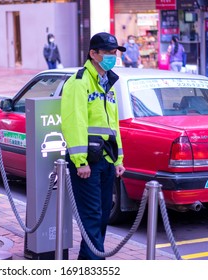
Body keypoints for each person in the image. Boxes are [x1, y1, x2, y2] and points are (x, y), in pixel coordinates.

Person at [61, 32, 126, 260]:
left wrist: (118, 160)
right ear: (93, 54)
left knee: (100, 217)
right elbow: (74, 122)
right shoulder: (79, 82)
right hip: (87, 163)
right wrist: (81, 161)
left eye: (114, 52)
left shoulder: (109, 83)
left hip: (106, 161)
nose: (112, 57)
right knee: (91, 217)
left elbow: (113, 125)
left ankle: (87, 262)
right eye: (108, 53)